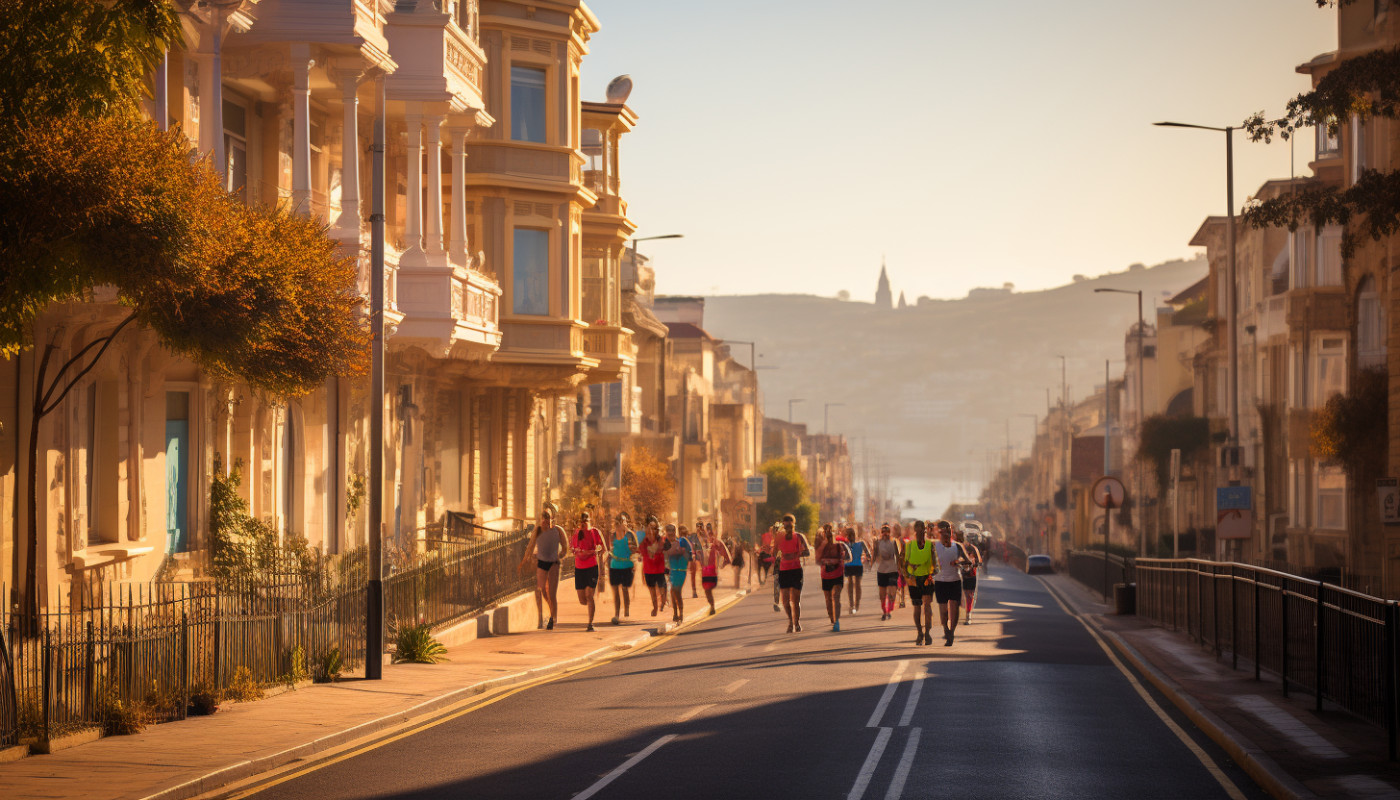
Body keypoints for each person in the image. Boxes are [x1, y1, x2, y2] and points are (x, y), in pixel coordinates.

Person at [518, 509, 567, 630]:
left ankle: (552, 619)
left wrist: (558, 556)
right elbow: (530, 548)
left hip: (554, 564)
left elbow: (565, 548)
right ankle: (547, 614)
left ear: (551, 518)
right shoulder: (538, 531)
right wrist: (523, 562)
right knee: (542, 591)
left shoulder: (558, 530)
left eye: (547, 517)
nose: (545, 520)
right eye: (543, 517)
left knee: (551, 592)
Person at [933, 520, 970, 645]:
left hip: (955, 581)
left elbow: (968, 562)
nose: (946, 531)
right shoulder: (934, 546)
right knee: (943, 611)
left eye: (948, 529)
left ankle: (952, 632)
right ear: (939, 532)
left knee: (954, 608)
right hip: (940, 582)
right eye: (942, 529)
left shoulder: (957, 546)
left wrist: (958, 561)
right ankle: (946, 629)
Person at [570, 512, 607, 632]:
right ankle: (592, 604)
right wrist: (578, 552)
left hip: (592, 567)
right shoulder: (576, 533)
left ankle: (590, 624)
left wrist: (597, 554)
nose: (583, 523)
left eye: (586, 521)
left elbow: (603, 548)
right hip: (579, 568)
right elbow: (572, 549)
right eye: (581, 521)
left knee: (589, 596)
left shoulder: (595, 532)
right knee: (582, 600)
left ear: (589, 521)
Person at [900, 521, 935, 645]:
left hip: (927, 579)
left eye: (923, 531)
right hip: (914, 580)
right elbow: (901, 563)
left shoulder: (930, 545)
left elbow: (935, 564)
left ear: (925, 531)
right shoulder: (908, 545)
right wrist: (907, 576)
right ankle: (920, 632)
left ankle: (928, 633)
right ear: (915, 531)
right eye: (918, 531)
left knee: (927, 606)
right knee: (917, 607)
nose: (921, 533)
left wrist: (933, 574)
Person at [775, 514, 811, 633]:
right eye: (786, 523)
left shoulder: (799, 536)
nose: (788, 525)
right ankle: (791, 621)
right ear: (783, 525)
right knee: (785, 601)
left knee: (795, 600)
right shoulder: (779, 537)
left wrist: (796, 554)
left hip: (796, 570)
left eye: (790, 523)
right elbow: (774, 552)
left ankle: (797, 622)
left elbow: (807, 552)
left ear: (793, 524)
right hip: (784, 571)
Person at [817, 525, 852, 632]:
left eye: (830, 532)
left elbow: (849, 558)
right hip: (826, 575)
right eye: (826, 532)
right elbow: (818, 561)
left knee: (835, 596)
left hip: (837, 574)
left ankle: (836, 621)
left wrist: (840, 559)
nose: (828, 534)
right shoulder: (821, 548)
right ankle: (832, 618)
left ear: (833, 533)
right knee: (828, 600)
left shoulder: (841, 545)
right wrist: (826, 561)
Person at [607, 512, 639, 625]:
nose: (621, 523)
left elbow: (636, 550)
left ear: (626, 522)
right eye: (619, 521)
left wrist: (634, 561)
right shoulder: (612, 535)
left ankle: (626, 612)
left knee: (625, 589)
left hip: (627, 565)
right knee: (615, 591)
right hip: (614, 565)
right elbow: (610, 550)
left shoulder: (630, 535)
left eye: (623, 521)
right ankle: (616, 614)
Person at [664, 524, 694, 623]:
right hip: (672, 571)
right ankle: (676, 613)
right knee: (673, 592)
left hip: (681, 571)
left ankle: (680, 613)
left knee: (676, 590)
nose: (670, 533)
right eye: (668, 531)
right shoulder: (665, 544)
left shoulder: (682, 541)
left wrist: (686, 558)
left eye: (672, 531)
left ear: (674, 531)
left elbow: (690, 553)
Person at [872, 523, 902, 621]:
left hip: (892, 570)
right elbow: (874, 554)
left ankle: (889, 610)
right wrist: (870, 565)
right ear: (881, 533)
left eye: (887, 532)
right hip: (881, 570)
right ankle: (885, 612)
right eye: (883, 532)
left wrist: (900, 568)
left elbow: (898, 556)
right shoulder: (877, 542)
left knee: (892, 593)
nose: (885, 534)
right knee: (882, 595)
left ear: (890, 533)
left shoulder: (894, 542)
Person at [639, 516, 668, 616]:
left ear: (656, 530)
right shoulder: (644, 542)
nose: (650, 530)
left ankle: (663, 603)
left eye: (653, 528)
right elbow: (642, 551)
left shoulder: (661, 540)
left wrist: (654, 555)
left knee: (662, 590)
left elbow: (661, 551)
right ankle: (655, 608)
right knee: (652, 591)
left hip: (659, 569)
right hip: (648, 570)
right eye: (648, 528)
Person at [700, 528, 731, 614]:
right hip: (705, 573)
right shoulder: (701, 547)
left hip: (711, 572)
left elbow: (723, 552)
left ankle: (712, 606)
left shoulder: (714, 545)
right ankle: (712, 606)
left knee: (708, 590)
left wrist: (727, 561)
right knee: (707, 591)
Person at [954, 529, 982, 623]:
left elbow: (979, 561)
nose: (959, 539)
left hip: (969, 575)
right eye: (958, 537)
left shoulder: (972, 548)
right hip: (957, 575)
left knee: (969, 595)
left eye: (961, 537)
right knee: (959, 596)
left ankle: (968, 615)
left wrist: (972, 564)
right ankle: (957, 614)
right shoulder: (955, 547)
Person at [843, 525, 869, 615]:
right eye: (849, 535)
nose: (850, 536)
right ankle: (854, 604)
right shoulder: (859, 544)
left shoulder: (846, 544)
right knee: (856, 584)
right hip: (855, 565)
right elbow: (868, 554)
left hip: (851, 565)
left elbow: (868, 554)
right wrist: (865, 559)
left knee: (852, 584)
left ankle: (853, 605)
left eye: (850, 534)